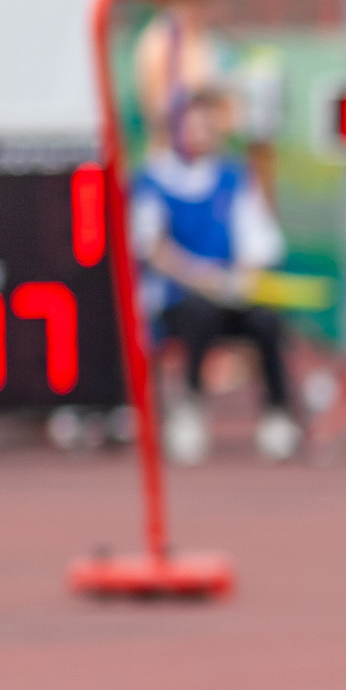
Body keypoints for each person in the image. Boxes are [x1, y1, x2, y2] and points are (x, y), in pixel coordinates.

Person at [129, 86, 302, 464]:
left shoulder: (234, 178)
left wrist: (241, 278)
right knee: (198, 313)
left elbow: (259, 243)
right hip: (177, 300)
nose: (199, 135)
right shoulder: (152, 180)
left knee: (265, 320)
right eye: (191, 127)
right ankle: (189, 409)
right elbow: (151, 247)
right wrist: (199, 276)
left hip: (230, 295)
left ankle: (278, 413)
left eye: (207, 127)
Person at [133, 0, 234, 160]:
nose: (203, 10)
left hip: (209, 153)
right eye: (197, 0)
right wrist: (197, 92)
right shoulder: (159, 41)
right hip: (171, 152)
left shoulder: (209, 40)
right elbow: (156, 106)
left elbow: (229, 108)